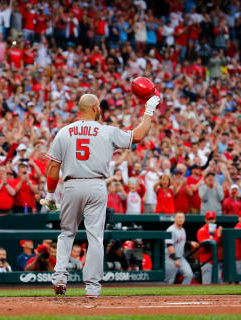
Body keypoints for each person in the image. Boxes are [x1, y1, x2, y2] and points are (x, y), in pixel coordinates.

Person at [44, 93, 160, 297]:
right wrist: (149, 110)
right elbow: (139, 135)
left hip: (71, 185)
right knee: (95, 237)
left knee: (67, 233)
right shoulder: (106, 131)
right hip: (97, 185)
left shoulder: (64, 132)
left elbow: (53, 167)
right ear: (96, 108)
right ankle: (92, 287)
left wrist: (51, 194)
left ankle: (60, 277)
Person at [165, 213, 196, 284]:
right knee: (169, 281)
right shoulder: (171, 230)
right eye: (178, 217)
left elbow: (181, 241)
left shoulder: (182, 230)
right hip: (170, 258)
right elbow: (169, 245)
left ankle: (183, 294)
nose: (180, 219)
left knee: (189, 275)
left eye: (182, 217)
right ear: (174, 219)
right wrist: (175, 259)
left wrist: (190, 243)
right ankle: (166, 295)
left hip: (181, 258)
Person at [196, 211, 222, 284]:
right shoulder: (202, 230)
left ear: (215, 220)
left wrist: (220, 236)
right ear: (205, 220)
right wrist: (218, 237)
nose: (211, 221)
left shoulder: (217, 231)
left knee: (219, 282)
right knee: (207, 284)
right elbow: (207, 245)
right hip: (206, 261)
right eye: (209, 219)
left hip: (216, 262)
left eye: (212, 219)